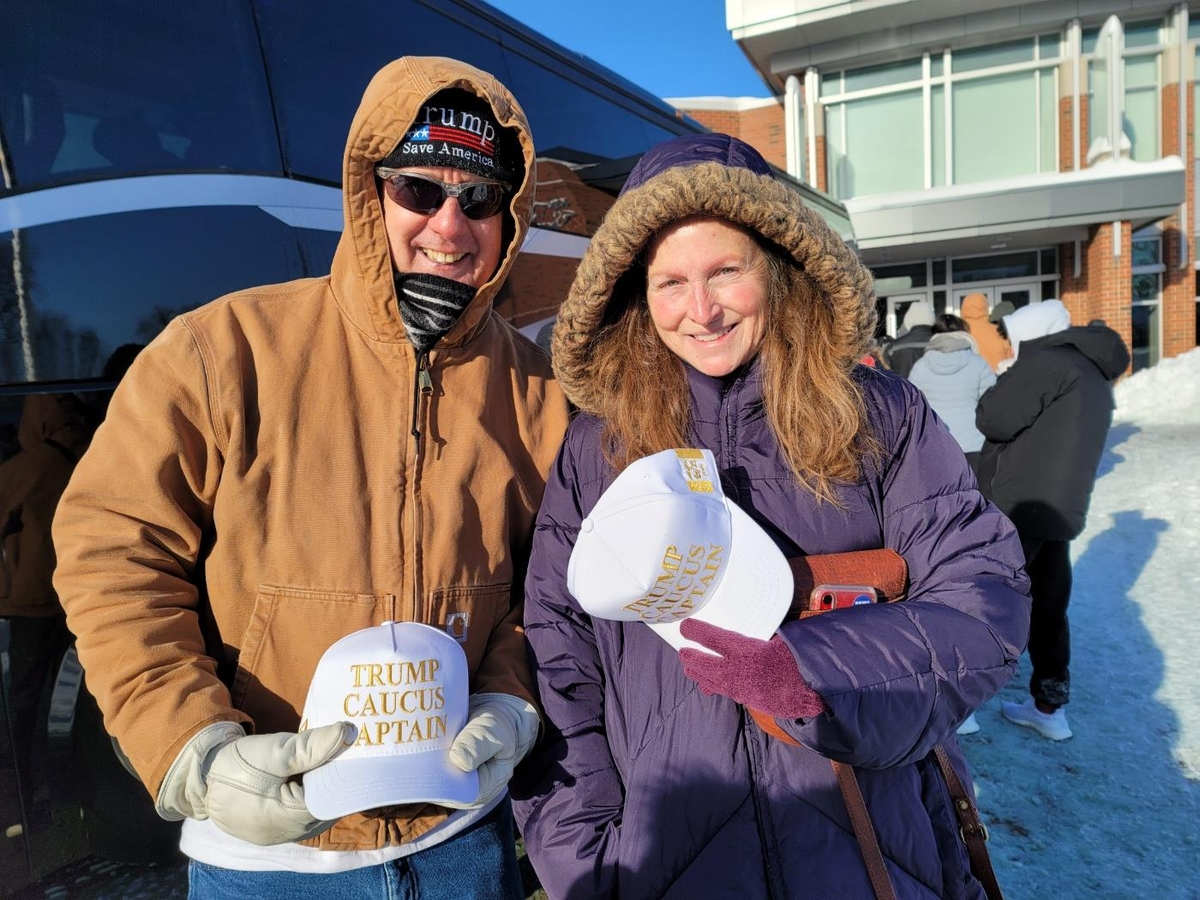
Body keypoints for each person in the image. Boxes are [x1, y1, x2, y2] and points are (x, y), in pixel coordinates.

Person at [51, 56, 569, 897]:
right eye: (419, 192)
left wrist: (512, 700)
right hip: (269, 861)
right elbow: (114, 555)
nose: (449, 224)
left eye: (478, 200)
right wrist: (193, 747)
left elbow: (550, 584)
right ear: (371, 192)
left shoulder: (535, 389)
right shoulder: (221, 349)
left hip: (463, 842)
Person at [511, 133, 1030, 899]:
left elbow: (983, 601)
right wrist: (586, 860)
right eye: (670, 283)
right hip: (666, 863)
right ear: (633, 296)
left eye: (726, 271)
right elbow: (561, 655)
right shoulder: (599, 446)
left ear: (779, 271)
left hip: (868, 845)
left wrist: (812, 673)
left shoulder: (879, 417)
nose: (701, 310)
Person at [976, 299, 1129, 741]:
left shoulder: (1048, 363)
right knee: (1048, 605)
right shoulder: (1091, 368)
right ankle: (1049, 704)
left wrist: (1005, 380)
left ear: (1031, 332)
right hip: (1059, 507)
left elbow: (993, 418)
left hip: (1019, 502)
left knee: (988, 596)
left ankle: (961, 702)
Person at [0, 393, 90, 833]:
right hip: (79, 601)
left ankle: (25, 808)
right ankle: (75, 798)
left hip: (32, 604)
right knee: (76, 708)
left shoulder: (27, 466)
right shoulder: (91, 454)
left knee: (23, 707)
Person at [907, 313, 996, 475]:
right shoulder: (978, 363)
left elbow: (912, 407)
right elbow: (992, 404)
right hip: (974, 444)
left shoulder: (920, 367)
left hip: (937, 443)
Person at [959, 293, 1012, 373]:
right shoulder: (999, 331)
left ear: (963, 309)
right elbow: (1011, 361)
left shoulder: (958, 333)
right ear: (985, 308)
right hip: (997, 381)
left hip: (967, 382)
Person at [884, 299, 934, 378]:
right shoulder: (945, 344)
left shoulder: (893, 347)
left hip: (904, 390)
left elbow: (886, 379)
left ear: (909, 318)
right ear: (932, 317)